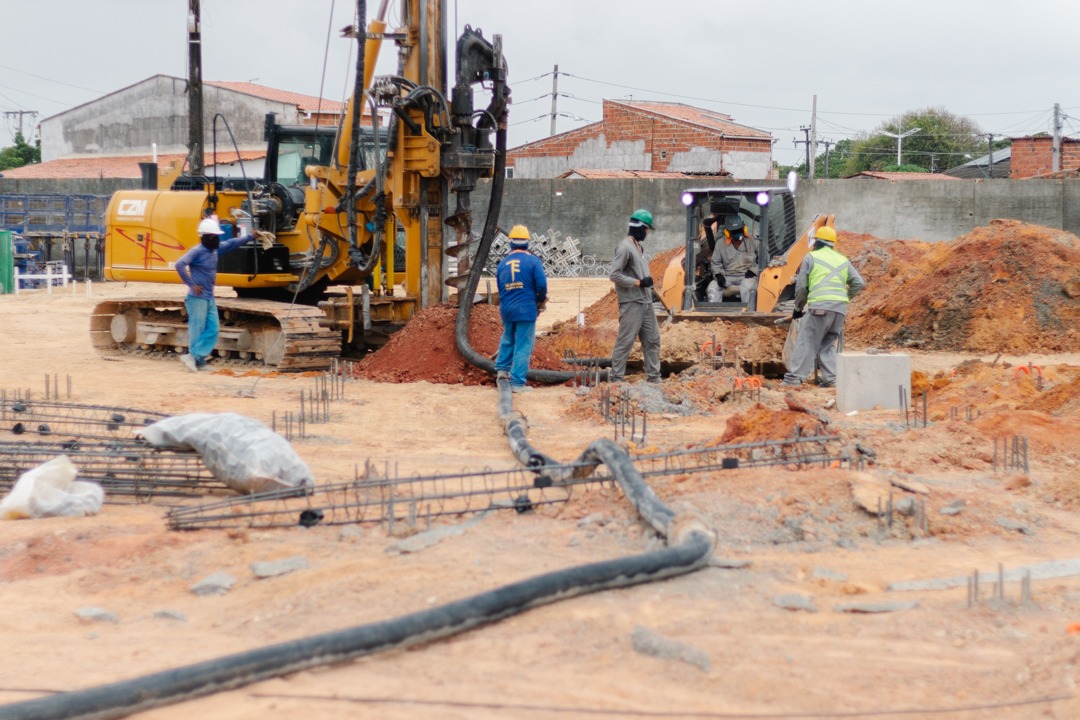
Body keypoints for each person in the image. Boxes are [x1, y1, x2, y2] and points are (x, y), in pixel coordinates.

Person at [781, 225, 865, 388]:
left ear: (816, 242)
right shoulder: (842, 259)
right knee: (827, 344)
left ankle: (793, 379)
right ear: (832, 244)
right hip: (839, 310)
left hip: (820, 308)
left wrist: (798, 308)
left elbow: (801, 287)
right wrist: (844, 298)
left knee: (806, 341)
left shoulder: (810, 257)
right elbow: (859, 283)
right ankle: (831, 379)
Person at [175, 215, 254, 372]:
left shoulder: (214, 249)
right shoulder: (197, 251)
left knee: (213, 329)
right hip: (197, 298)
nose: (218, 239)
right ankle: (196, 360)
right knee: (197, 329)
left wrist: (251, 236)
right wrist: (192, 284)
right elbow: (179, 264)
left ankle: (195, 357)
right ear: (207, 237)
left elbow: (232, 243)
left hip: (209, 297)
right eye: (215, 236)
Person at [608, 208, 661, 384]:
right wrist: (638, 282)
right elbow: (614, 275)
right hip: (631, 302)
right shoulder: (625, 248)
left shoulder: (639, 248)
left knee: (653, 339)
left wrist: (649, 291)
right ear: (640, 227)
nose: (647, 233)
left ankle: (653, 377)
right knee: (625, 341)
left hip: (645, 302)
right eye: (647, 229)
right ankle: (616, 379)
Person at [494, 224, 548, 393]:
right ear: (527, 243)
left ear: (510, 243)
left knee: (508, 338)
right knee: (523, 345)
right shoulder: (533, 261)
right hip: (526, 309)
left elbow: (500, 289)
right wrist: (539, 301)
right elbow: (542, 285)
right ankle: (517, 383)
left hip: (507, 309)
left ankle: (502, 371)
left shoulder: (502, 264)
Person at [708, 214, 758, 307]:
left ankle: (748, 313)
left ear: (744, 229)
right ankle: (714, 315)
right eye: (734, 232)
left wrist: (754, 271)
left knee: (748, 287)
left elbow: (764, 260)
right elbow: (716, 263)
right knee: (712, 288)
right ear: (727, 232)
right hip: (728, 276)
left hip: (747, 276)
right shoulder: (720, 244)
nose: (738, 234)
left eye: (739, 230)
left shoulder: (753, 240)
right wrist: (719, 275)